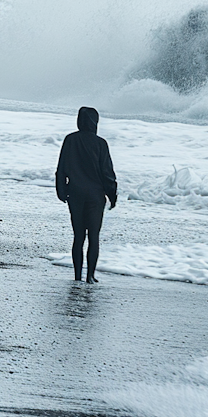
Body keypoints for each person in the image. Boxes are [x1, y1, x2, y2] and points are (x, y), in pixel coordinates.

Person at [55, 106, 118, 284]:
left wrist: (61, 191)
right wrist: (112, 196)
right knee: (94, 237)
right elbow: (107, 173)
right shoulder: (100, 144)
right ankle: (90, 275)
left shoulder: (70, 140)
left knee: (78, 236)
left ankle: (77, 276)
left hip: (75, 194)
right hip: (95, 197)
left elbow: (61, 168)